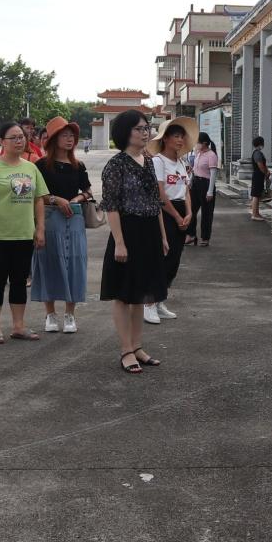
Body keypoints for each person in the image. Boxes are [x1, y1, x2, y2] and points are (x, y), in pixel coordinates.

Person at [100, 110, 168, 373]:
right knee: (123, 294)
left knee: (141, 294)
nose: (145, 132)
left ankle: (138, 346)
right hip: (127, 231)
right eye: (139, 128)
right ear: (125, 132)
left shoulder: (148, 161)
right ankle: (126, 350)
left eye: (147, 127)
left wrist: (162, 236)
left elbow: (155, 202)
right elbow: (111, 206)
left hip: (149, 231)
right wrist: (119, 242)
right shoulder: (116, 165)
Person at [0, 121, 48, 342]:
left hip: (24, 234)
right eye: (14, 137)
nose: (20, 141)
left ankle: (19, 325)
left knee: (19, 281)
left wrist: (40, 228)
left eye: (22, 137)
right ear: (2, 141)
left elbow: (39, 200)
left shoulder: (31, 168)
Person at [32, 116, 91, 334]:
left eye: (72, 136)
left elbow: (87, 190)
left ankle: (70, 314)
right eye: (65, 135)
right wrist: (56, 199)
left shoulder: (78, 165)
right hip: (49, 219)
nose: (70, 139)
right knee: (49, 262)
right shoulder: (40, 165)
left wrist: (77, 198)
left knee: (74, 263)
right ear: (54, 139)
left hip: (74, 219)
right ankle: (50, 314)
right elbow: (37, 195)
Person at [146, 119, 193, 324]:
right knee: (161, 258)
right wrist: (176, 216)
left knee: (174, 259)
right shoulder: (158, 161)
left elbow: (186, 191)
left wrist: (189, 213)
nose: (180, 140)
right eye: (176, 136)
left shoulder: (182, 163)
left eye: (182, 137)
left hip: (182, 211)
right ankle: (148, 303)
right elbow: (160, 193)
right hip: (165, 213)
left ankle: (160, 300)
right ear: (165, 139)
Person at [185, 131, 218, 246]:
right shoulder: (198, 153)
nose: (196, 144)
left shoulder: (211, 155)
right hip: (195, 183)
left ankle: (205, 238)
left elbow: (213, 174)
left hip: (206, 184)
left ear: (204, 143)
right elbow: (194, 169)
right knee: (191, 210)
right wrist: (190, 181)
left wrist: (210, 191)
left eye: (197, 142)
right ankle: (191, 235)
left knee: (206, 213)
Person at [248, 136, 268, 221]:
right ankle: (254, 214)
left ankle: (257, 213)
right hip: (258, 176)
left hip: (258, 175)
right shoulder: (257, 153)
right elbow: (260, 165)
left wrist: (266, 171)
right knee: (256, 195)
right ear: (260, 143)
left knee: (257, 195)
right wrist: (266, 172)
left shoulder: (258, 153)